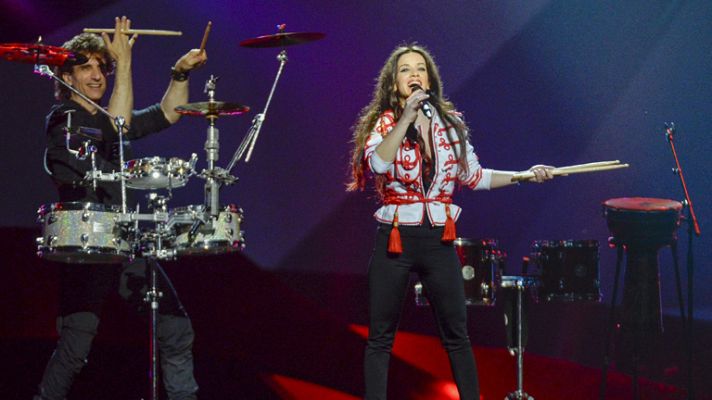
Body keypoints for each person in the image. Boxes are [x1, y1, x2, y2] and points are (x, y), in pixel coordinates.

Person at [347, 43, 554, 400]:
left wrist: (523, 175)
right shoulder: (386, 123)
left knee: (457, 335)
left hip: (438, 240)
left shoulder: (450, 124)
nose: (414, 75)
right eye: (405, 70)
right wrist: (406, 119)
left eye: (420, 69)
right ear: (394, 83)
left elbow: (474, 176)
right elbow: (378, 164)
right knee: (381, 337)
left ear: (430, 80)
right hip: (396, 238)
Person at [34, 17, 207, 400]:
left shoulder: (107, 118)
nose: (97, 75)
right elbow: (120, 124)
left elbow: (169, 113)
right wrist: (125, 62)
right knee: (75, 348)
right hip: (86, 243)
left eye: (103, 66)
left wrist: (179, 73)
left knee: (176, 329)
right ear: (67, 76)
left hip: (124, 239)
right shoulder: (64, 120)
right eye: (86, 67)